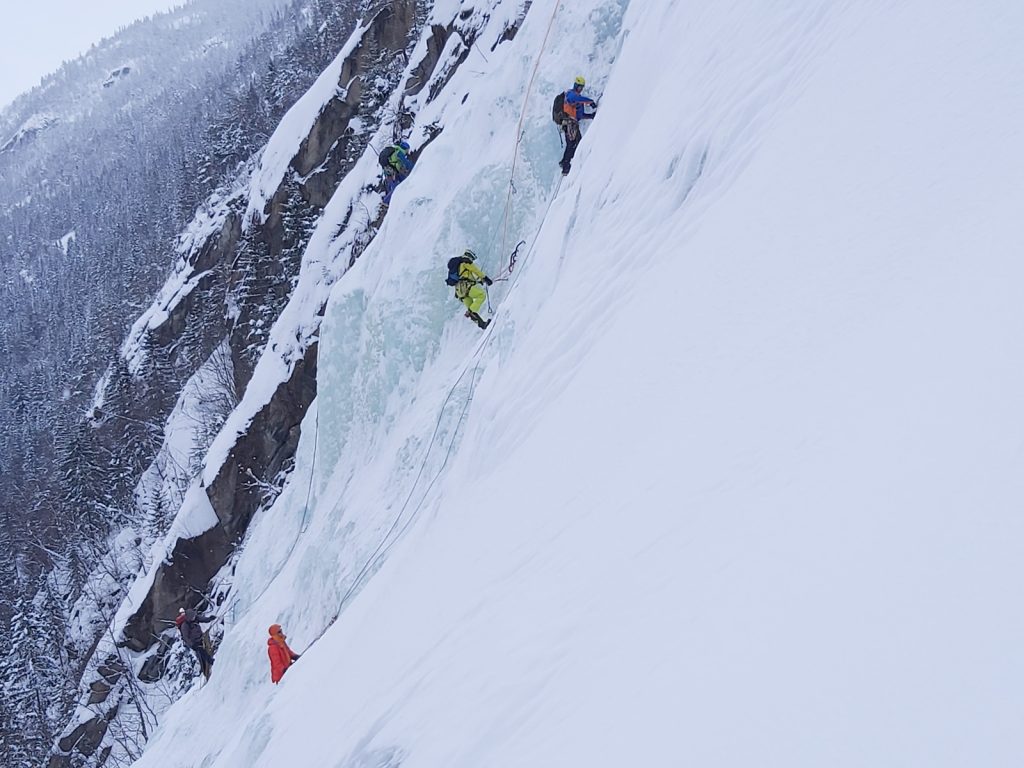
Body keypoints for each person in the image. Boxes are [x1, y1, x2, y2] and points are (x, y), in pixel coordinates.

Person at [558, 76, 597, 175]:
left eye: (581, 88)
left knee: (575, 143)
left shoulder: (577, 101)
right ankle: (566, 166)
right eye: (579, 87)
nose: (580, 89)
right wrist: (590, 101)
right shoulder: (571, 94)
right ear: (575, 86)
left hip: (573, 123)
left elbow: (579, 116)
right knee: (572, 143)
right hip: (569, 123)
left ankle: (565, 162)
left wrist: (590, 116)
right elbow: (574, 99)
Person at [447, 249, 492, 329]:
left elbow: (464, 276)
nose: (472, 260)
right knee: (481, 295)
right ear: (469, 256)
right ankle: (471, 312)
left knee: (471, 307)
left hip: (459, 291)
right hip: (466, 286)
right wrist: (485, 278)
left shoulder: (457, 265)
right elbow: (475, 271)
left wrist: (479, 281)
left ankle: (482, 324)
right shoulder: (465, 261)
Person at [175, 607, 215, 679]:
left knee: (205, 649)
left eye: (194, 616)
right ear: (189, 617)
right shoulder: (185, 625)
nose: (194, 618)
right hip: (194, 643)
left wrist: (209, 619)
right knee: (202, 653)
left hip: (200, 637)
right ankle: (209, 665)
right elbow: (186, 638)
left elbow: (203, 619)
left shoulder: (195, 618)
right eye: (192, 617)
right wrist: (192, 645)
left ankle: (210, 663)